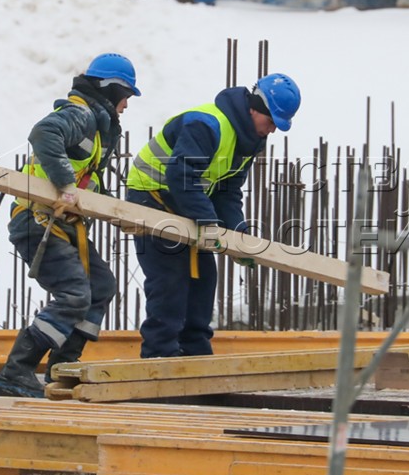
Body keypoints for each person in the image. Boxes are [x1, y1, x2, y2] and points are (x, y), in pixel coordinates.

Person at [0, 53, 140, 398]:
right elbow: (43, 134)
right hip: (36, 220)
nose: (126, 106)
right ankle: (16, 372)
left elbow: (86, 183)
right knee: (74, 294)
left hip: (62, 224)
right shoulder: (81, 115)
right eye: (126, 96)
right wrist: (66, 187)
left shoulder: (96, 128)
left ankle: (61, 370)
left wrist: (118, 213)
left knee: (100, 287)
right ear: (112, 89)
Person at [125, 73, 301, 358]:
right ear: (255, 108)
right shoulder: (207, 125)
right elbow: (181, 176)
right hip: (151, 197)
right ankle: (160, 355)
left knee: (203, 277)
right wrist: (208, 223)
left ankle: (195, 353)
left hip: (187, 204)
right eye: (271, 123)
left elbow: (227, 192)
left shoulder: (248, 142)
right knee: (170, 277)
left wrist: (237, 234)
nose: (272, 131)